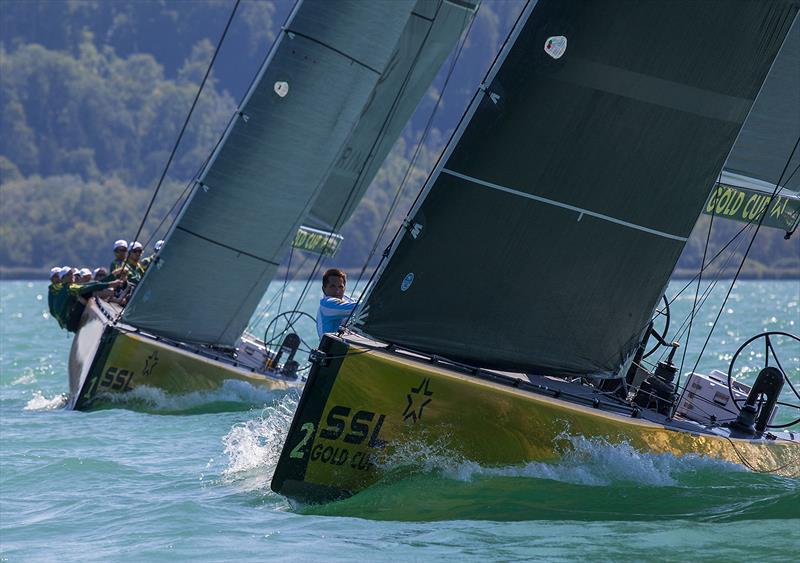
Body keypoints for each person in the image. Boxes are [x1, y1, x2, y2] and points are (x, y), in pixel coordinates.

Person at [316, 268, 357, 338]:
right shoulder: (326, 304)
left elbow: (361, 303)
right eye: (333, 286)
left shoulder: (347, 300)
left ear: (344, 289)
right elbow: (359, 307)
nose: (337, 291)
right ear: (324, 289)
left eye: (340, 287)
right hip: (329, 348)